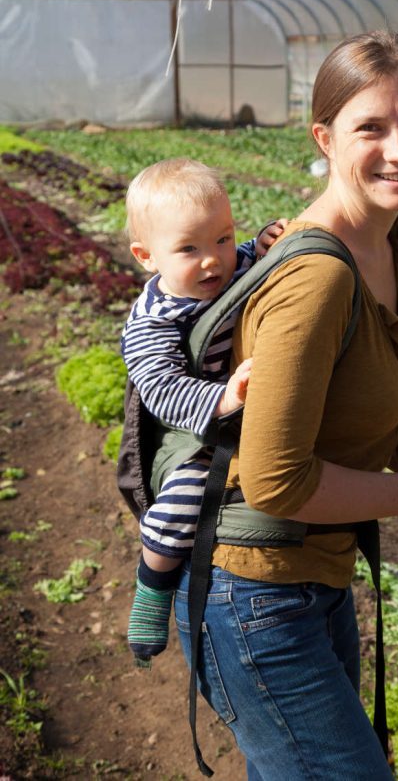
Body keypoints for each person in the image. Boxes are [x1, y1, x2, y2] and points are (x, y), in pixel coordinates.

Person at [173, 32, 398, 780]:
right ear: (323, 138)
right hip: (254, 598)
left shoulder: (384, 246)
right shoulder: (317, 279)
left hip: (314, 583)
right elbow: (276, 482)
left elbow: (376, 420)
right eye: (371, 127)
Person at [121, 157, 285, 663]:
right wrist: (225, 398)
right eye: (189, 248)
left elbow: (240, 258)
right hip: (189, 431)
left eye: (222, 237)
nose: (214, 260)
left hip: (233, 411)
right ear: (147, 256)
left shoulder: (224, 266)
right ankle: (153, 584)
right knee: (183, 503)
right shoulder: (150, 323)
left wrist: (260, 247)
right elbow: (163, 390)